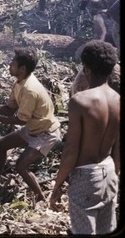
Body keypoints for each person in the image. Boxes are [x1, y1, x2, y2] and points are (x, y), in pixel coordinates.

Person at [50, 40, 120, 235]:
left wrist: (57, 185)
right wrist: (115, 176)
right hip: (109, 171)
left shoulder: (80, 101)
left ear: (86, 69)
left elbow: (71, 150)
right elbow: (117, 149)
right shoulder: (117, 99)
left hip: (86, 178)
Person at [0, 47, 61, 202]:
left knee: (21, 166)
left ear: (22, 69)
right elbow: (10, 110)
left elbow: (20, 120)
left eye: (13, 63)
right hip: (33, 128)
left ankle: (42, 199)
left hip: (45, 133)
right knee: (0, 145)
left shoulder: (29, 89)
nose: (10, 64)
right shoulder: (19, 82)